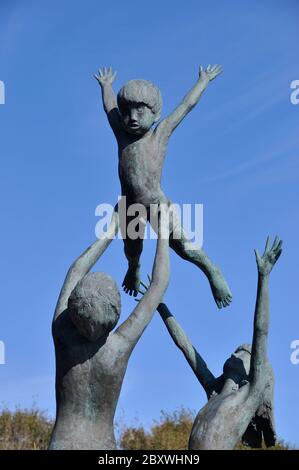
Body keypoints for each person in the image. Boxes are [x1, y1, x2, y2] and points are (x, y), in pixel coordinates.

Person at [94, 65, 232, 309]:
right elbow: (109, 108)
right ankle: (133, 269)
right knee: (132, 248)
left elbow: (185, 106)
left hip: (157, 205)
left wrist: (203, 81)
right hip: (129, 207)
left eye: (139, 110)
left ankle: (212, 270)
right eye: (127, 111)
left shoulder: (160, 134)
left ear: (155, 115)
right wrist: (106, 85)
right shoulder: (122, 135)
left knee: (184, 247)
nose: (132, 117)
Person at [138, 236, 282, 449]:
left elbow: (261, 332)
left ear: (251, 370)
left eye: (244, 353)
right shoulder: (213, 392)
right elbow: (185, 346)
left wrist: (263, 278)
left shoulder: (248, 397)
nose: (236, 353)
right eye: (238, 350)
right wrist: (161, 307)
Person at [49, 205, 170, 450]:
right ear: (114, 315)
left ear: (74, 309)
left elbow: (76, 269)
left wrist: (114, 226)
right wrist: (163, 230)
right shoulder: (118, 347)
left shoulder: (62, 334)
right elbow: (158, 284)